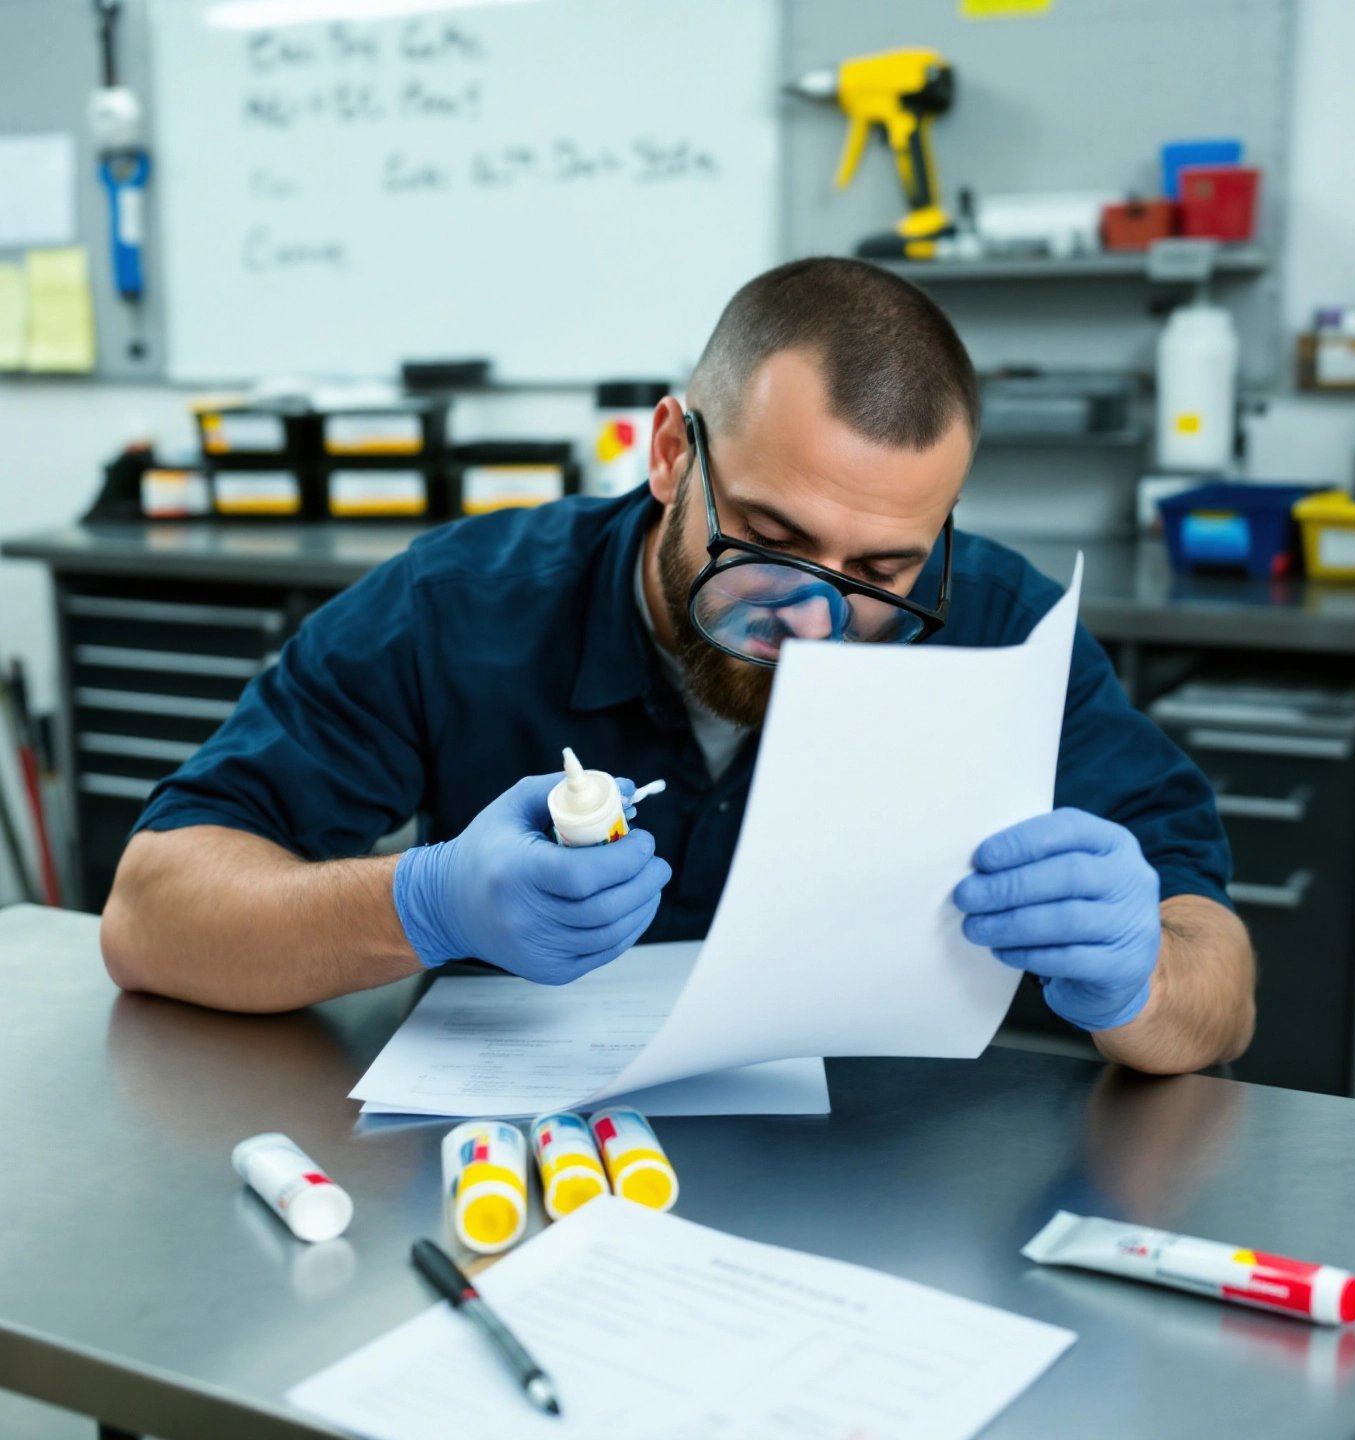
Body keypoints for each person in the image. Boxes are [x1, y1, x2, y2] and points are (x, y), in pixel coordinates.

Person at [102, 258, 1255, 1074]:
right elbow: (151, 916)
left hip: (877, 1172)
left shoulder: (1001, 625)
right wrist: (425, 902)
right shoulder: (462, 607)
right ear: (669, 454)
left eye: (885, 568)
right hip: (523, 1166)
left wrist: (1141, 975)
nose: (813, 618)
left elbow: (1225, 989)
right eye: (772, 539)